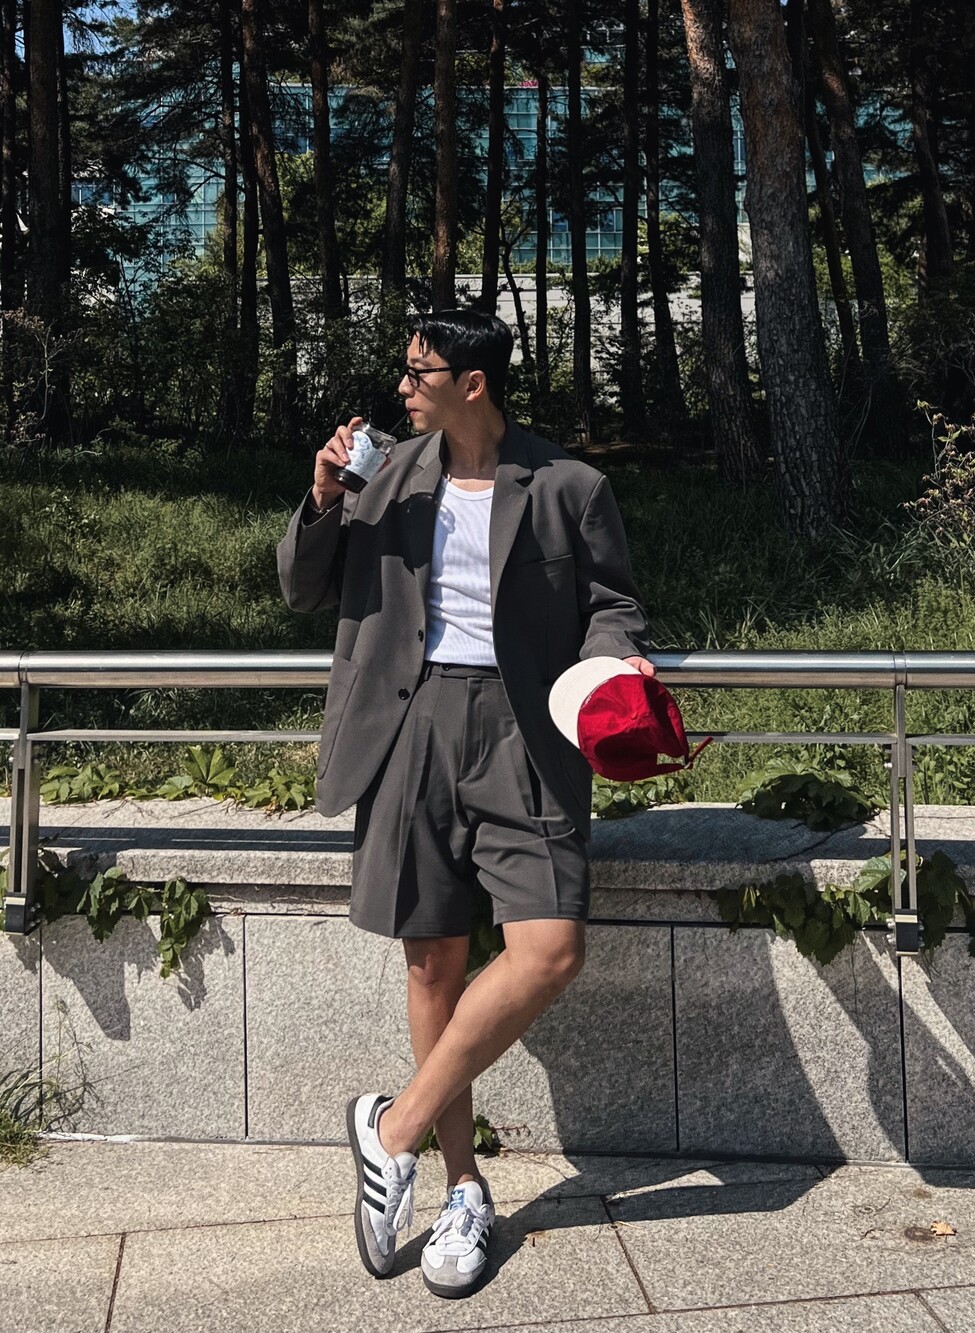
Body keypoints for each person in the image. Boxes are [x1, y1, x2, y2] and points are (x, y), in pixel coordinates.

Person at [277, 309, 654, 1298]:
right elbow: (301, 591)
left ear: (472, 383)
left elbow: (613, 604)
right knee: (432, 957)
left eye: (420, 372)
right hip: (408, 724)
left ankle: (391, 1127)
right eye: (406, 371)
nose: (403, 388)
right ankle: (460, 1190)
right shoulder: (384, 475)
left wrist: (615, 661)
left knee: (550, 949)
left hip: (528, 732)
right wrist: (322, 497)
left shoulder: (569, 486)